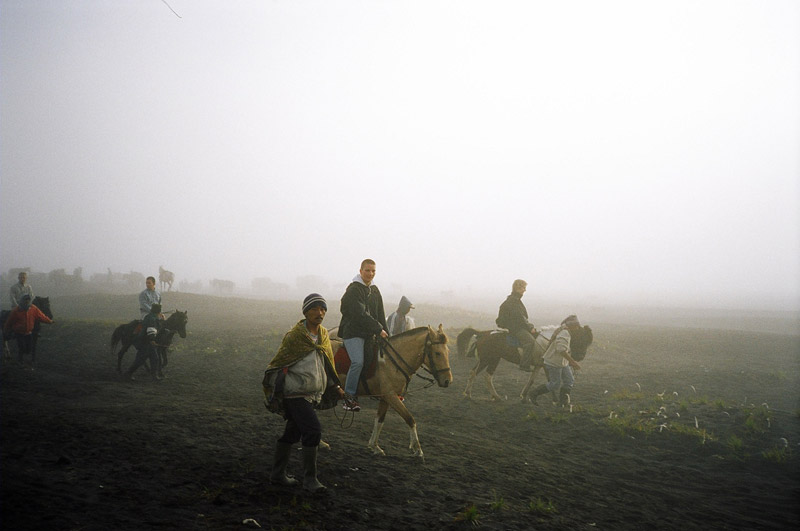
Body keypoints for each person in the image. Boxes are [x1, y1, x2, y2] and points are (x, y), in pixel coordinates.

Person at [263, 293, 344, 492]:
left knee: (292, 433)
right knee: (313, 430)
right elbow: (280, 362)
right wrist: (276, 391)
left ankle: (277, 474)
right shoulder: (295, 336)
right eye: (315, 309)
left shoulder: (324, 336)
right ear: (306, 312)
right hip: (295, 392)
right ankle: (310, 480)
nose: (320, 313)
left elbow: (327, 365)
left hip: (312, 394)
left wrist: (336, 387)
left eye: (323, 309)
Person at [338, 259, 388, 411]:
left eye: (373, 271)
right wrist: (378, 329)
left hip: (369, 333)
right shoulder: (353, 290)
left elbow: (380, 313)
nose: (370, 274)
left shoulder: (375, 290)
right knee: (358, 362)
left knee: (379, 360)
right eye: (367, 270)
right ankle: (349, 398)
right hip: (353, 332)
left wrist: (386, 333)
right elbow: (359, 314)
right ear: (360, 271)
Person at [528, 315, 583, 406]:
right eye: (576, 326)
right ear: (571, 326)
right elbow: (561, 350)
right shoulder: (564, 333)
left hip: (562, 362)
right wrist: (572, 362)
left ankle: (563, 402)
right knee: (555, 384)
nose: (577, 328)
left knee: (569, 380)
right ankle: (533, 393)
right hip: (554, 362)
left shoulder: (566, 331)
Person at [496, 279, 538, 371]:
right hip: (516, 328)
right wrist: (530, 328)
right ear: (517, 288)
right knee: (530, 342)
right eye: (523, 288)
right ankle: (524, 365)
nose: (525, 290)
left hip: (517, 326)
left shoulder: (515, 300)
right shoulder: (513, 302)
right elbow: (520, 318)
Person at [3, 294, 53, 365]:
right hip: (19, 332)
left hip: (28, 332)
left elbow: (41, 316)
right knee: (21, 347)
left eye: (28, 300)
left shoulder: (33, 308)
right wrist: (6, 328)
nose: (27, 302)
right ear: (23, 301)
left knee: (28, 349)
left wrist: (49, 321)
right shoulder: (16, 310)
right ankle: (20, 361)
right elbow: (10, 321)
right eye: (26, 300)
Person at [124, 303, 163, 381]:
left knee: (155, 358)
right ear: (158, 311)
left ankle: (154, 376)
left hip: (145, 341)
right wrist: (152, 340)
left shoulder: (150, 316)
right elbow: (151, 329)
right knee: (140, 360)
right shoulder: (152, 318)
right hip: (146, 342)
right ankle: (128, 374)